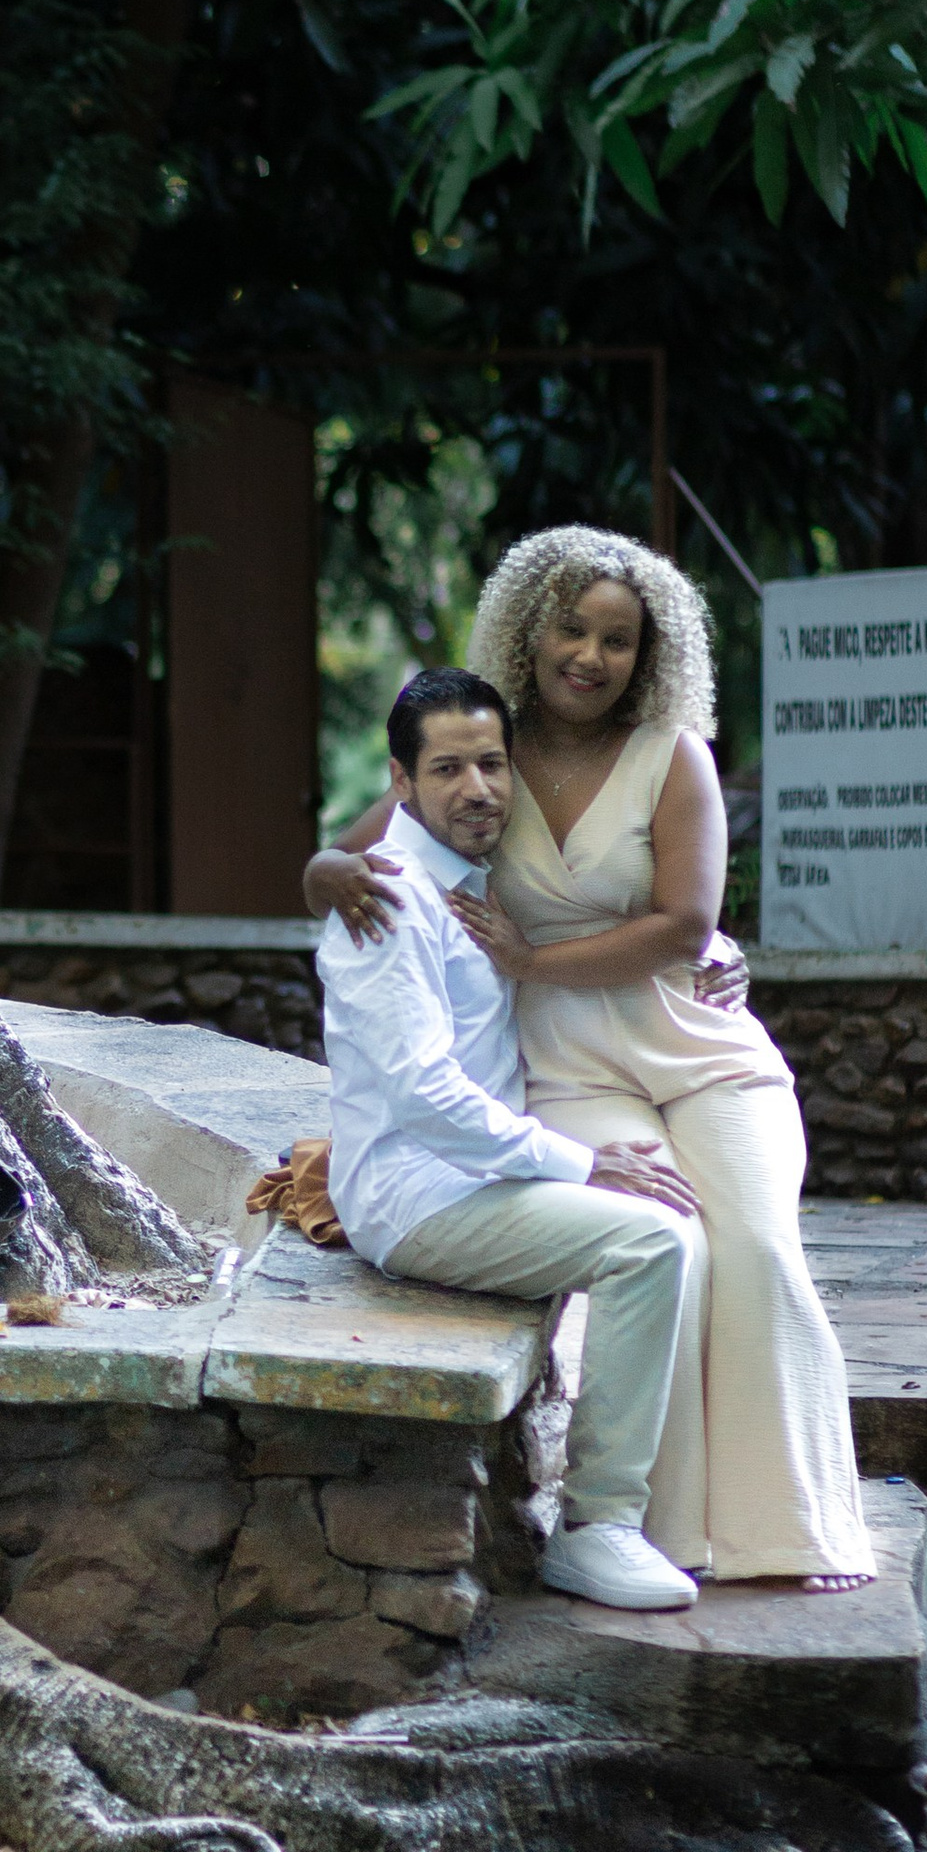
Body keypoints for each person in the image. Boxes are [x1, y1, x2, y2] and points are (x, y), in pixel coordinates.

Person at [306, 527, 874, 1593]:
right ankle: (663, 1529)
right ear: (530, 629)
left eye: (617, 639)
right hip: (567, 1069)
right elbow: (357, 856)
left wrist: (541, 955)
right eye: (571, 628)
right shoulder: (485, 747)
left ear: (645, 655)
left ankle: (794, 1526)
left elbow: (685, 918)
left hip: (697, 1045)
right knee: (669, 1245)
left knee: (755, 1245)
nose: (591, 654)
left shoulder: (673, 755)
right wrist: (313, 875)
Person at [316, 662, 705, 1614]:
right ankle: (596, 1526)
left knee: (676, 1225)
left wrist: (717, 953)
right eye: (447, 770)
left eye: (491, 764)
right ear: (400, 784)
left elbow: (631, 912)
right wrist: (580, 1161)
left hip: (465, 1176)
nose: (478, 788)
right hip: (417, 1197)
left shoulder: (471, 880)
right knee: (651, 1241)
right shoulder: (391, 898)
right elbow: (422, 1094)